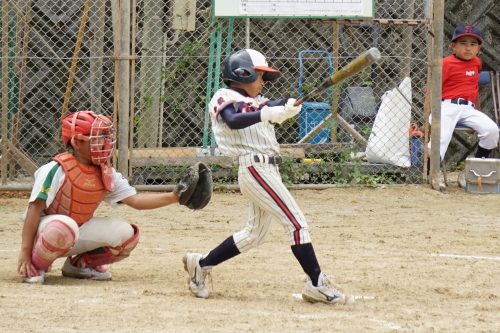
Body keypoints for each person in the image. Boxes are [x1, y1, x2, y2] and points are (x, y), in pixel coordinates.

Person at [182, 49, 354, 305]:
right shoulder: (224, 96)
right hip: (254, 169)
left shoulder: (257, 101)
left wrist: (286, 106)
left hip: (266, 170)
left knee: (255, 234)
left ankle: (201, 263)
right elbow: (233, 119)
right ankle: (317, 283)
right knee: (296, 224)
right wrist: (268, 113)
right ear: (243, 73)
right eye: (260, 76)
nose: (263, 83)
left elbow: (273, 104)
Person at [18, 110, 212, 283]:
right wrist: (25, 253)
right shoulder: (55, 169)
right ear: (77, 142)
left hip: (76, 229)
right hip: (44, 231)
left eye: (105, 137)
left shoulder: (105, 172)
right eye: (96, 138)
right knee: (64, 226)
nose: (105, 142)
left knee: (127, 235)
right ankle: (35, 265)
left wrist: (176, 196)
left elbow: (136, 201)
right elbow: (34, 209)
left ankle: (79, 265)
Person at [429, 24, 499, 187]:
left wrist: (478, 112)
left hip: (468, 108)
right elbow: (432, 88)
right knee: (441, 137)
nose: (468, 48)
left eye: (473, 44)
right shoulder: (445, 63)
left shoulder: (476, 62)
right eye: (463, 43)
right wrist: (429, 113)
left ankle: (474, 169)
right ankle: (432, 175)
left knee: (492, 131)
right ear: (453, 46)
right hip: (446, 106)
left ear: (479, 48)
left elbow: (473, 87)